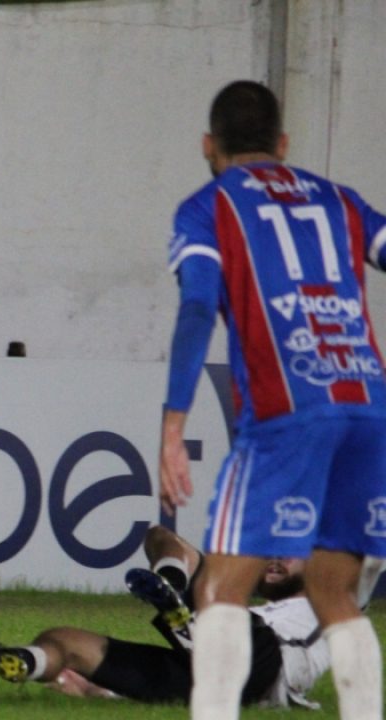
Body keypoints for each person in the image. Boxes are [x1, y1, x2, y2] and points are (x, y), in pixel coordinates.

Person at [159, 80, 386, 720]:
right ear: (283, 145)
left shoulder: (207, 208)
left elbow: (200, 303)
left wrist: (173, 426)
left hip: (288, 412)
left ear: (209, 145)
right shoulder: (341, 200)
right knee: (333, 590)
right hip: (368, 406)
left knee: (220, 588)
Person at [0, 526, 383, 708]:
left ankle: (180, 614)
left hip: (263, 663)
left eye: (288, 551)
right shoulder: (251, 604)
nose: (272, 558)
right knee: (67, 642)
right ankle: (18, 659)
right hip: (207, 680)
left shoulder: (340, 594)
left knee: (209, 581)